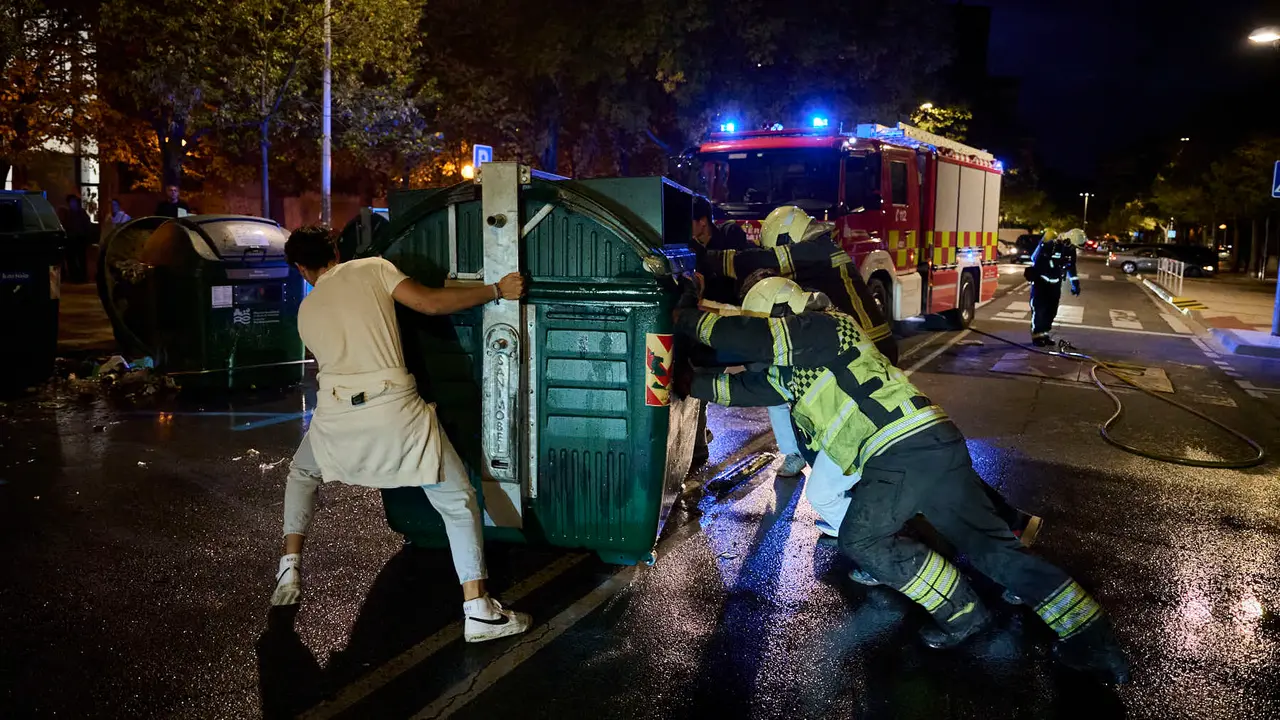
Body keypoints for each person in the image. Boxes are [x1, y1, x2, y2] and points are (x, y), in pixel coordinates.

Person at [672, 274, 1129, 684]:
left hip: (900, 452)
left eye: (765, 323)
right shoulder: (798, 365)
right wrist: (686, 380)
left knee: (862, 538)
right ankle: (1094, 642)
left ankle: (963, 613)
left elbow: (746, 336)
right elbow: (740, 388)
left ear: (780, 314)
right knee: (994, 551)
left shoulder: (824, 327)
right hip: (933, 444)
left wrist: (684, 314)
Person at [270, 226, 532, 643]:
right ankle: (479, 609)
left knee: (302, 474)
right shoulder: (372, 268)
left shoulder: (307, 309)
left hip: (336, 416)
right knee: (458, 502)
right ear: (335, 250)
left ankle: (289, 564)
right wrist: (497, 289)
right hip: (392, 408)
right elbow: (430, 303)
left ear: (302, 268)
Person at [701, 205, 896, 480]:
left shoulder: (815, 253)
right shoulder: (823, 250)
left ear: (786, 237)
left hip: (863, 347)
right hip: (864, 344)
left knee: (782, 379)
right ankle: (829, 457)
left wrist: (702, 258)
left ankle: (825, 462)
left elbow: (760, 261)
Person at [1025, 228, 1081, 347]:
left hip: (1055, 283)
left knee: (1051, 310)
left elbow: (1071, 267)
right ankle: (1037, 335)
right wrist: (1051, 262)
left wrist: (1075, 284)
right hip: (1041, 282)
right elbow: (1036, 259)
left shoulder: (1070, 250)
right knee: (1039, 309)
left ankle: (1044, 334)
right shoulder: (1051, 245)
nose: (1073, 248)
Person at [60, 194, 94, 283]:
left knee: (81, 259)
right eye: (70, 202)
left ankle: (82, 277)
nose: (72, 204)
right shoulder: (68, 214)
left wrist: (86, 238)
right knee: (71, 259)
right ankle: (74, 277)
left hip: (80, 240)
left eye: (73, 202)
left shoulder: (82, 213)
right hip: (70, 240)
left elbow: (87, 227)